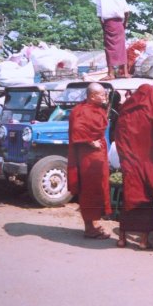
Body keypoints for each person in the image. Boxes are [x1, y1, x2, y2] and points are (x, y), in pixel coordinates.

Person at [114, 84, 153, 249]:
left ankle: (122, 239)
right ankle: (143, 241)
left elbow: (118, 137)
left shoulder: (125, 111)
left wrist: (125, 159)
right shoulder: (151, 112)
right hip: (147, 163)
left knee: (129, 199)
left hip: (130, 162)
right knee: (146, 199)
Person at [67, 83, 112, 239]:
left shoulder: (96, 108)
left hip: (98, 155)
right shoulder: (81, 110)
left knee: (98, 187)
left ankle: (92, 223)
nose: (104, 97)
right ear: (92, 96)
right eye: (102, 95)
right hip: (88, 156)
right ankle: (89, 228)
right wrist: (90, 141)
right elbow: (77, 129)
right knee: (90, 189)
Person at [96, 0, 130, 81]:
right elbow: (127, 12)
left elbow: (99, 15)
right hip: (119, 23)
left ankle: (111, 73)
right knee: (121, 46)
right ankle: (125, 72)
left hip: (109, 23)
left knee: (110, 48)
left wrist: (103, 27)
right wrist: (124, 24)